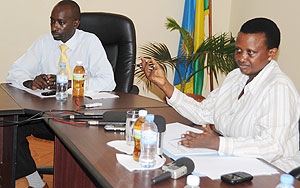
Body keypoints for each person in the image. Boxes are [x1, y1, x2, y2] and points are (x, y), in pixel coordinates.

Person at [140, 17, 300, 173]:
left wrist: (218, 143)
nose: (242, 58)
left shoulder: (279, 88)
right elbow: (203, 112)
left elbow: (272, 147)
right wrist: (164, 85)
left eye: (250, 53)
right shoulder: (236, 76)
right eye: (238, 50)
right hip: (235, 162)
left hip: (273, 172)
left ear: (271, 53)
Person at [6, 1, 115, 188]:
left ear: (75, 24)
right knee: (10, 126)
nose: (54, 27)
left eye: (61, 23)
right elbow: (15, 72)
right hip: (47, 115)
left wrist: (70, 83)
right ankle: (37, 183)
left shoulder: (90, 42)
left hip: (80, 118)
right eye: (52, 21)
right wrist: (30, 82)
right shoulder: (43, 42)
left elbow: (108, 81)